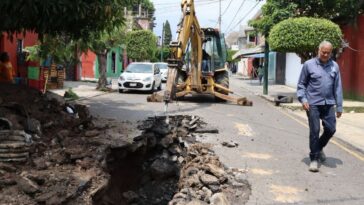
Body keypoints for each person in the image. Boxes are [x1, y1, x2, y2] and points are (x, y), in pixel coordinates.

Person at [297, 40, 343, 172]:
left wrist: (339, 106)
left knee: (331, 129)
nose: (325, 55)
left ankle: (319, 147)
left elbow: (338, 87)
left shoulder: (334, 66)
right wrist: (303, 99)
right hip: (313, 104)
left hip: (329, 103)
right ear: (319, 50)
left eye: (328, 53)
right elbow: (301, 85)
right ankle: (314, 159)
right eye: (323, 52)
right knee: (315, 131)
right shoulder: (308, 65)